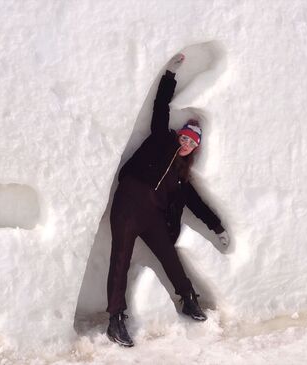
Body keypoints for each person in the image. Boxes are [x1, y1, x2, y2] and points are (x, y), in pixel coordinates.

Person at [105, 53, 230, 347]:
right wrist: (170, 75)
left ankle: (187, 298)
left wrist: (218, 227)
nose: (186, 144)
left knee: (168, 254)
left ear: (195, 148)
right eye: (185, 137)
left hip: (151, 215)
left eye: (192, 142)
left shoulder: (181, 177)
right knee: (120, 257)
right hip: (128, 201)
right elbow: (160, 107)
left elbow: (196, 204)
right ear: (179, 136)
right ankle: (114, 319)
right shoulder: (162, 137)